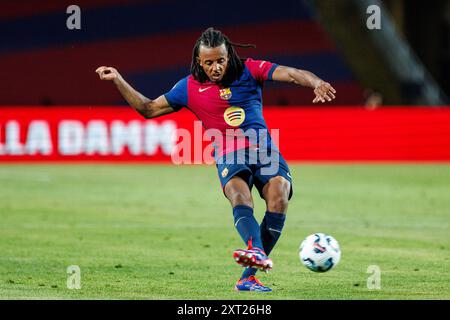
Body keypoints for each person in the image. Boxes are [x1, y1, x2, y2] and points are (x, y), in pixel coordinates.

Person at [96, 27, 336, 292]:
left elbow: (291, 74)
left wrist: (316, 82)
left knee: (279, 196)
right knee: (240, 196)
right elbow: (148, 109)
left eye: (220, 60)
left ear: (228, 55)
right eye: (209, 62)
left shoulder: (251, 70)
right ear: (199, 61)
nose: (215, 67)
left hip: (264, 149)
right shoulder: (187, 88)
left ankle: (248, 275)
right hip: (229, 151)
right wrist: (118, 79)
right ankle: (255, 249)